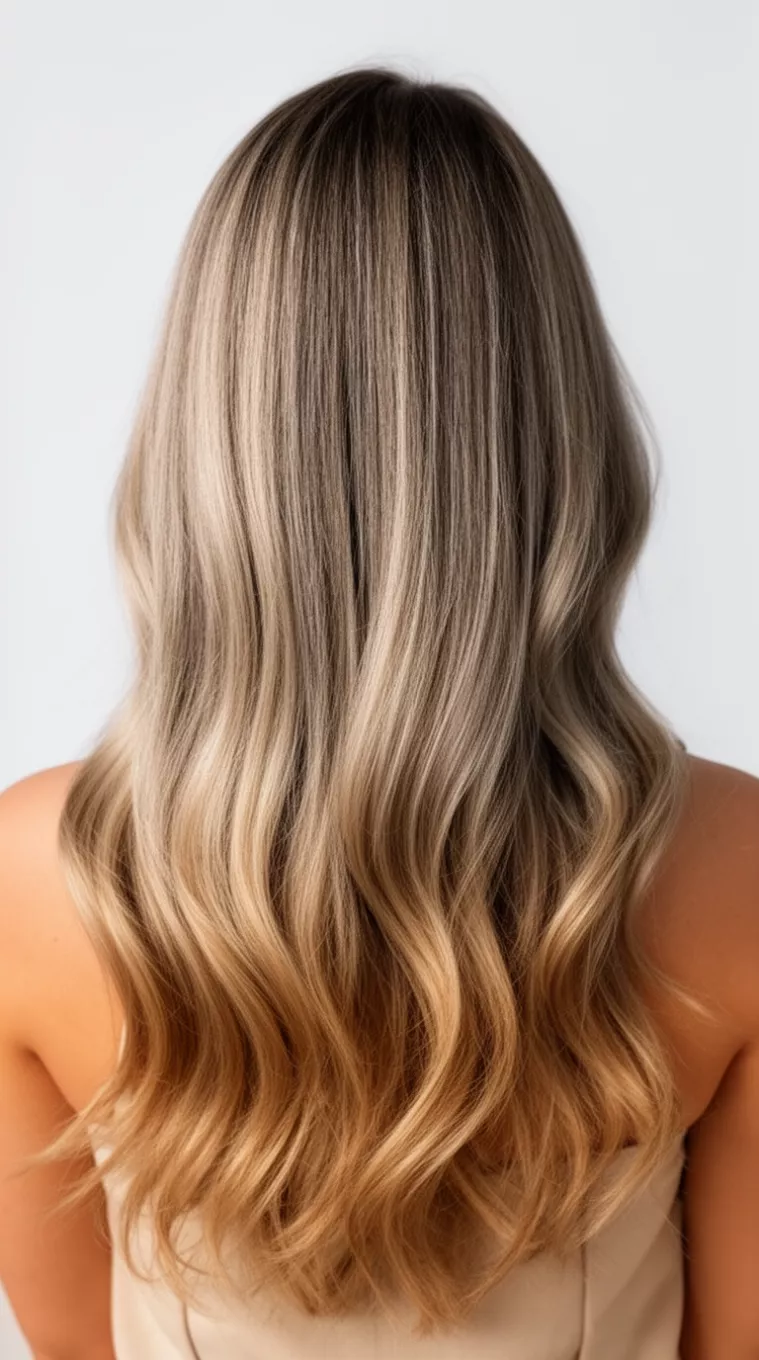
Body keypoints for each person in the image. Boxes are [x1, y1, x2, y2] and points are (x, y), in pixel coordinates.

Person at [0, 64, 756, 1360]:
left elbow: (82, 1352)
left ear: (209, 432)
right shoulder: (729, 864)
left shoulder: (34, 880)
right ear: (550, 429)